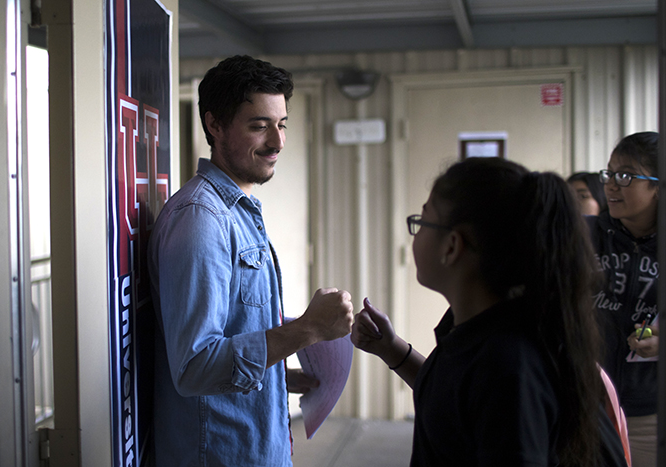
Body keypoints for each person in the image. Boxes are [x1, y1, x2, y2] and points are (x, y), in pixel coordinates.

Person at [351, 157, 628, 466]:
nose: (414, 235)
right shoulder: (478, 325)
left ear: (451, 246)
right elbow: (454, 398)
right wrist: (391, 349)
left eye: (422, 222)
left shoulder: (511, 364)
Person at [147, 55, 354, 467]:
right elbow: (195, 367)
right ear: (215, 125)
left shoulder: (238, 210)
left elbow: (231, 334)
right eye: (259, 126)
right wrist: (308, 329)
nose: (277, 142)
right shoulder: (201, 219)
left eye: (282, 125)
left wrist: (278, 377)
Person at [588, 131, 659, 467]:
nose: (612, 185)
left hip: (650, 414)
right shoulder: (585, 235)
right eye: (610, 173)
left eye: (626, 175)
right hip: (585, 405)